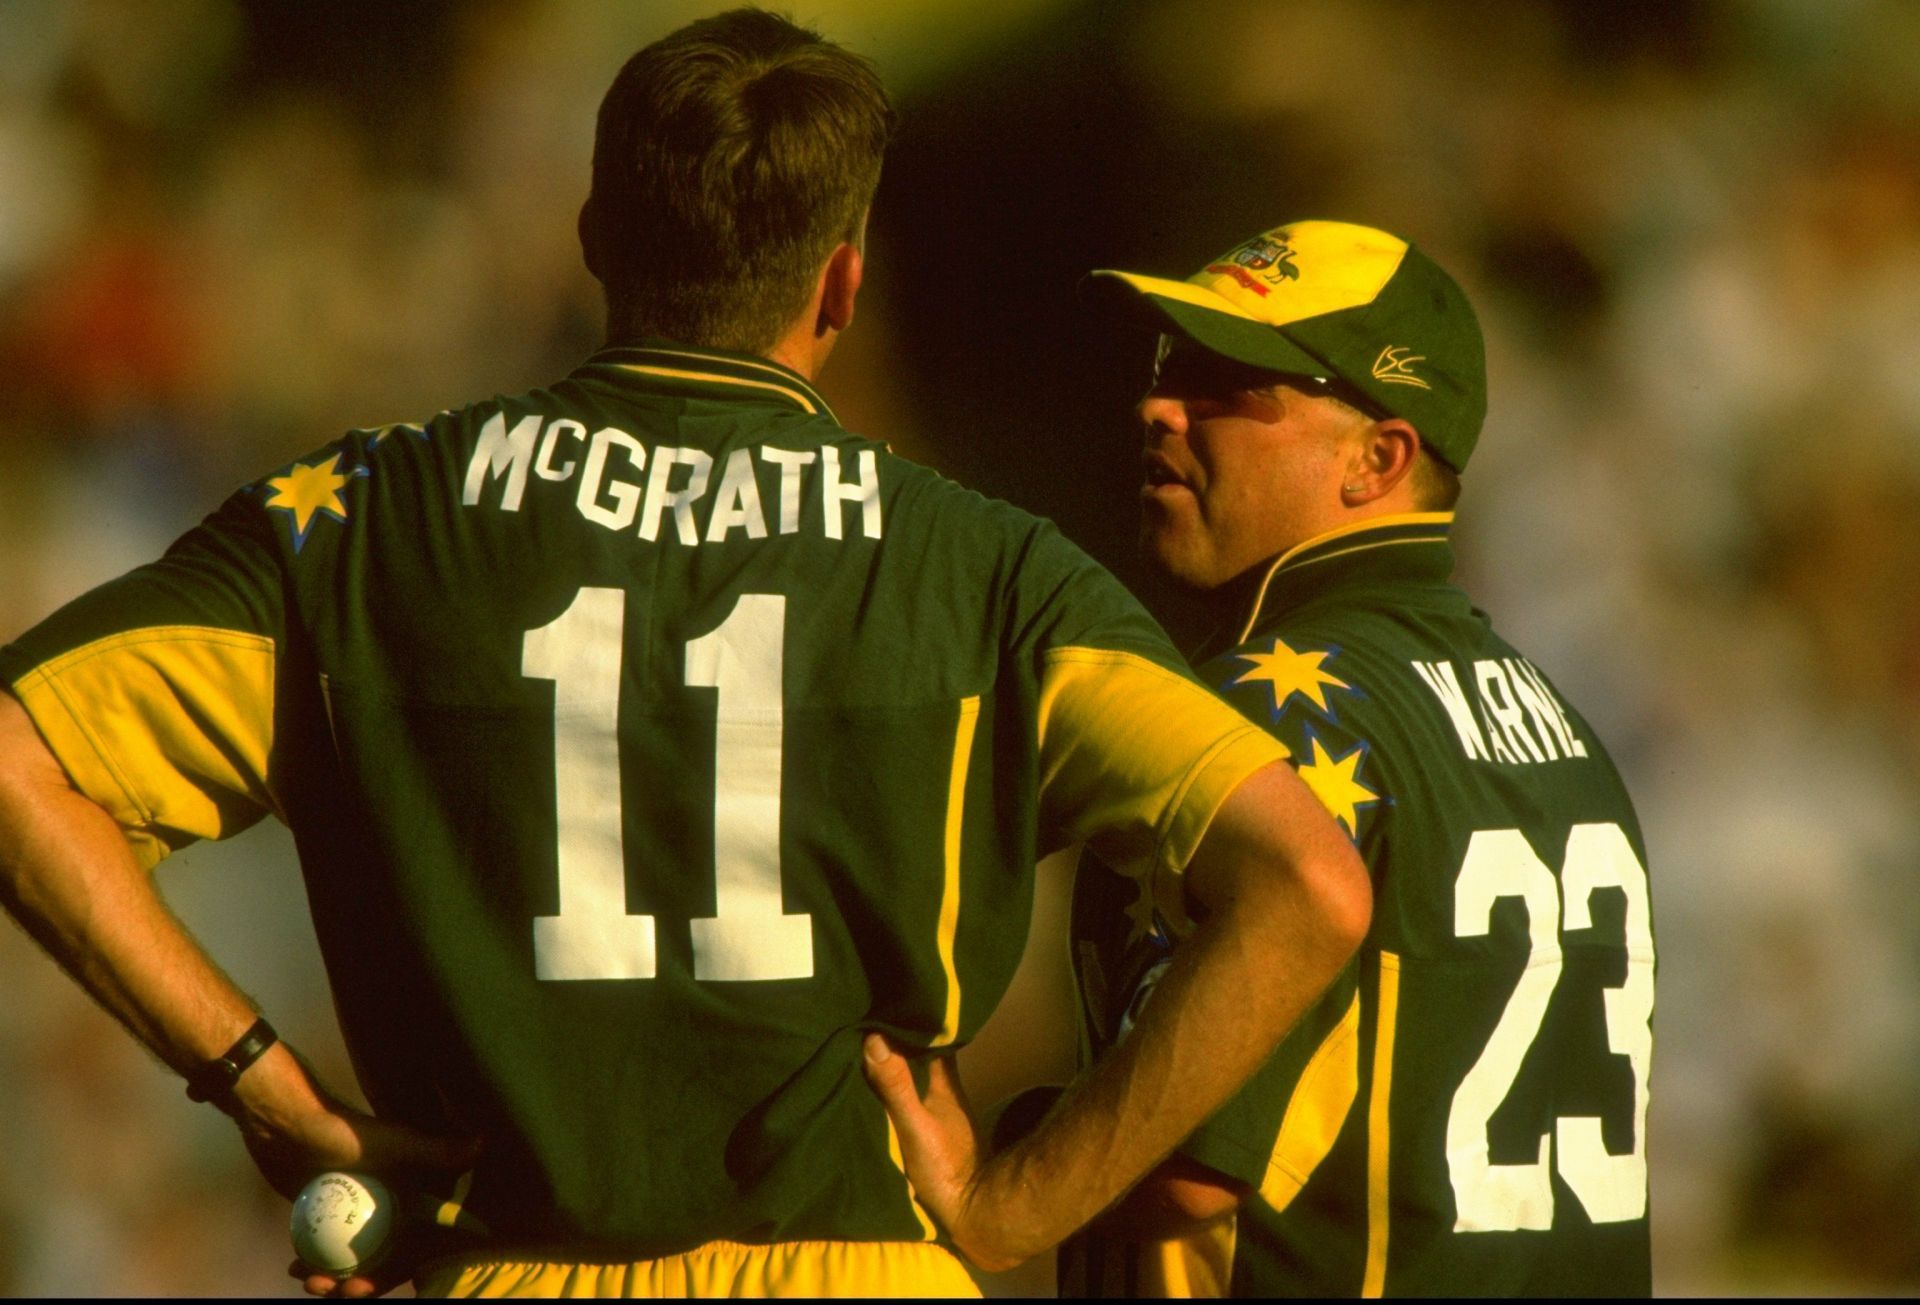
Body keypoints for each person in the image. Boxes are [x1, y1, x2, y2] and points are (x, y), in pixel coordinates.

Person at [0, 13, 1370, 1300]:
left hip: (509, 1258)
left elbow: (17, 765)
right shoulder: (986, 567)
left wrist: (260, 1082)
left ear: (595, 235)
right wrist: (1023, 1203)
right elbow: (1307, 885)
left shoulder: (362, 527)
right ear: (842, 281)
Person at [872, 220, 1654, 1296]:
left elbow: (1187, 1168)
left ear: (1378, 458)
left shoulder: (1267, 717)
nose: (1159, 406)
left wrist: (1003, 1180)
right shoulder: (1562, 725)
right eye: (1167, 369)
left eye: (1230, 383)